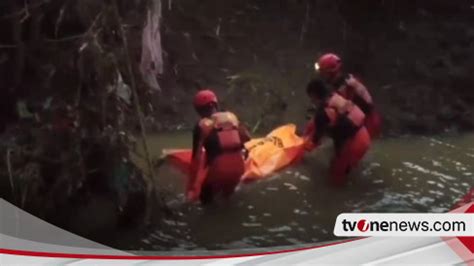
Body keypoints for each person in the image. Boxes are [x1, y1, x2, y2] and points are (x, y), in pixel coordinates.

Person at [304, 79, 371, 186]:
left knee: (335, 177)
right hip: (365, 135)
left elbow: (315, 140)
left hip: (354, 144)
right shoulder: (335, 97)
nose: (311, 101)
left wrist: (303, 150)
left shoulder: (322, 113)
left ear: (314, 95)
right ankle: (351, 172)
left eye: (311, 98)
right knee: (341, 164)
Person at [189, 89, 251, 204]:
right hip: (239, 168)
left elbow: (195, 160)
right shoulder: (232, 118)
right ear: (216, 104)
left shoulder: (201, 126)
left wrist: (191, 188)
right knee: (227, 200)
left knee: (207, 203)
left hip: (218, 170)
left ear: (198, 110)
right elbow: (247, 138)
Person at [315, 53, 382, 139]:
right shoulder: (344, 81)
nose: (321, 76)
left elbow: (343, 109)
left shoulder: (345, 86)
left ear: (330, 73)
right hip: (363, 121)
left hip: (367, 124)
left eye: (323, 73)